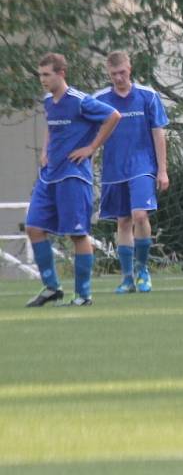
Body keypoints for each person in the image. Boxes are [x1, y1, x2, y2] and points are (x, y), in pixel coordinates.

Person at [25, 53, 121, 307]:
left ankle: (83, 296)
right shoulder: (49, 102)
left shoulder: (80, 101)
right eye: (41, 75)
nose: (43, 80)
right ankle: (51, 288)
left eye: (47, 74)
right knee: (34, 227)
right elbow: (51, 125)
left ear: (61, 73)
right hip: (49, 176)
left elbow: (113, 116)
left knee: (77, 235)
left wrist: (92, 148)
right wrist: (45, 151)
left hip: (73, 176)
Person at [93, 51, 169, 294]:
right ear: (109, 73)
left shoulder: (148, 96)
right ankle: (127, 278)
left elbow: (159, 133)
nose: (118, 78)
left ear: (130, 68)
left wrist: (162, 170)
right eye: (114, 74)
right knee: (123, 220)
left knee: (139, 215)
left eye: (122, 72)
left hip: (142, 166)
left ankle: (143, 270)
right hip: (114, 168)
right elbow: (91, 134)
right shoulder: (100, 99)